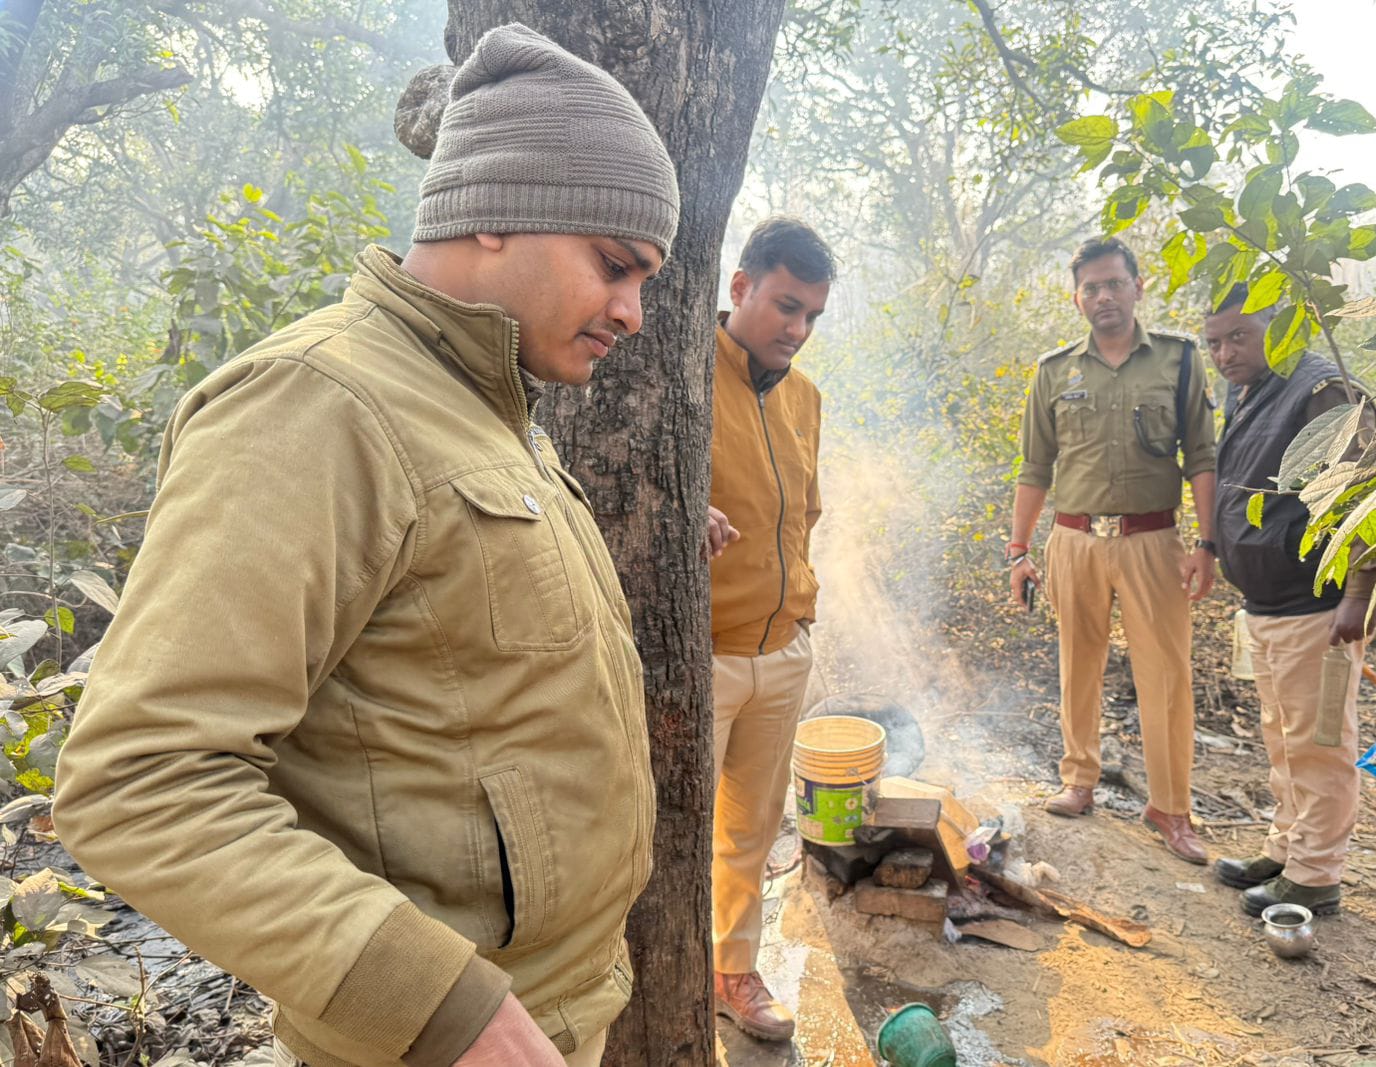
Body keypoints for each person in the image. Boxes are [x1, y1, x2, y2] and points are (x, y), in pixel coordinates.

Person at [51, 24, 678, 1067]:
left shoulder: (487, 407)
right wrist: (444, 1009)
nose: (634, 312)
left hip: (555, 1013)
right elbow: (141, 778)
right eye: (616, 266)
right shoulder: (315, 405)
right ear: (492, 210)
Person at [1007, 237, 1217, 865]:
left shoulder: (1179, 360)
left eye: (1114, 283)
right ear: (1077, 298)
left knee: (1167, 675)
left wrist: (1206, 545)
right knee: (1079, 663)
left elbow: (1202, 457)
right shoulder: (1054, 371)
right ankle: (1079, 779)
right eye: (1091, 287)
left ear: (1137, 287)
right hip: (1073, 541)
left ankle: (1171, 807)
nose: (1104, 296)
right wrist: (1018, 550)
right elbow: (1034, 467)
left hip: (1152, 542)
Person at [1204, 283, 1376, 917]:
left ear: (1278, 327)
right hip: (1268, 603)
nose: (1225, 353)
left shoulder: (1322, 390)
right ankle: (1287, 847)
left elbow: (1368, 495)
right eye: (1214, 343)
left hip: (1318, 605)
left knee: (1319, 743)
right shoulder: (1251, 389)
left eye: (1239, 337)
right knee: (1282, 738)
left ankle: (1315, 874)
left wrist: (1357, 594)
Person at [706, 217, 833, 1042]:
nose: (798, 329)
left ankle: (733, 970)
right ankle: (649, 973)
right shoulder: (681, 374)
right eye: (787, 306)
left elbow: (805, 514)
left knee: (751, 829)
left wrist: (802, 616)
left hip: (782, 650)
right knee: (670, 830)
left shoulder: (805, 397)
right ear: (741, 286)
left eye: (812, 315)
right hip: (702, 653)